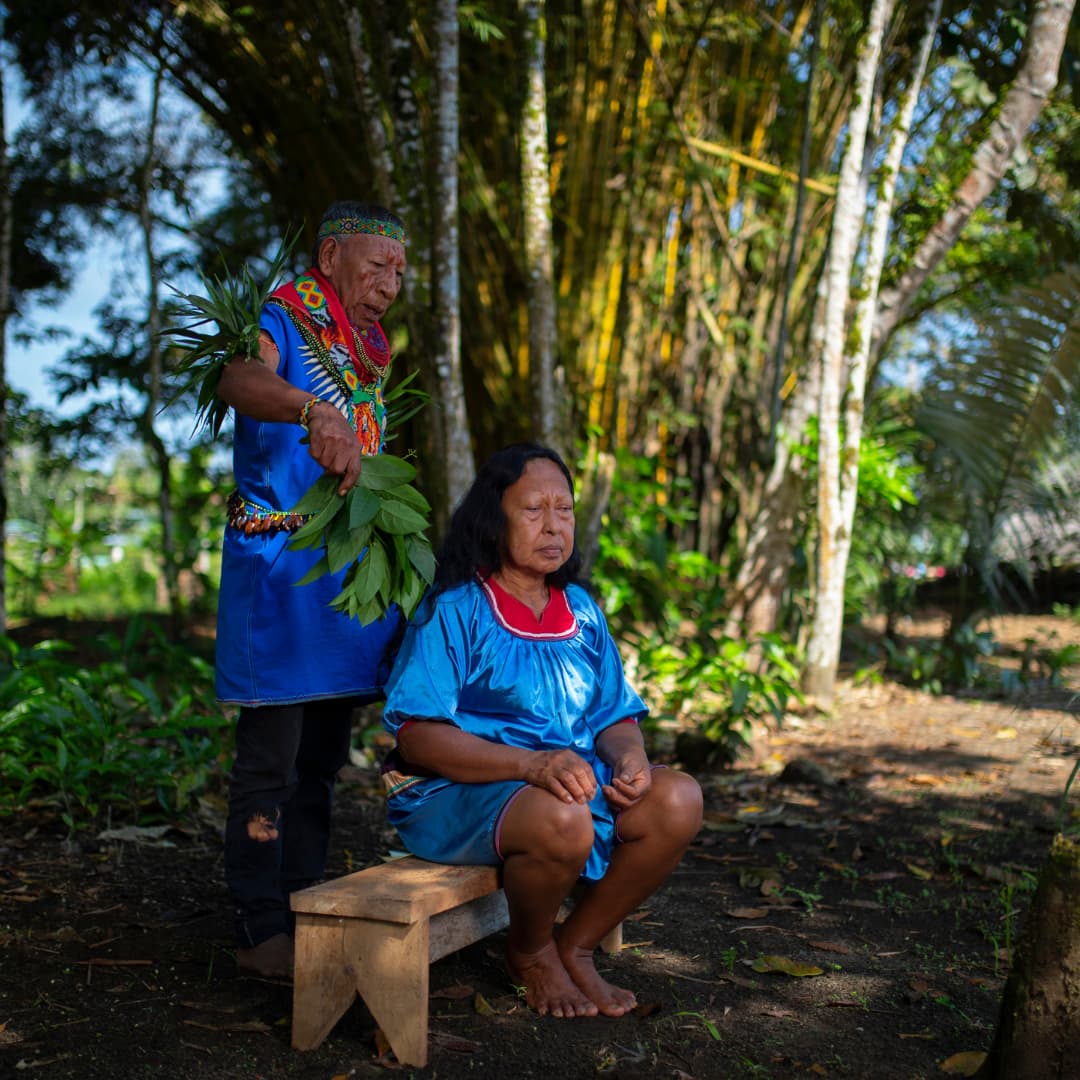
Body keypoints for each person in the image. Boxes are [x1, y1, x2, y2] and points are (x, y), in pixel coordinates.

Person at [380, 444, 703, 1018]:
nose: (554, 526)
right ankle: (530, 952)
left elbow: (612, 715)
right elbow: (417, 737)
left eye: (565, 510)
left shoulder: (580, 611)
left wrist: (629, 758)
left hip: (564, 787)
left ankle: (575, 945)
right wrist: (532, 765)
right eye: (533, 510)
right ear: (493, 517)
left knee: (677, 798)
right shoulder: (456, 610)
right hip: (454, 795)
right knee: (563, 816)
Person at [214, 200, 408, 978]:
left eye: (399, 271)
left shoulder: (368, 348)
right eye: (377, 267)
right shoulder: (281, 318)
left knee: (325, 755)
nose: (391, 285)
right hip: (279, 573)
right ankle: (259, 924)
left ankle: (303, 900)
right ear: (330, 258)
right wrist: (310, 407)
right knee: (273, 757)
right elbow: (237, 378)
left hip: (341, 575)